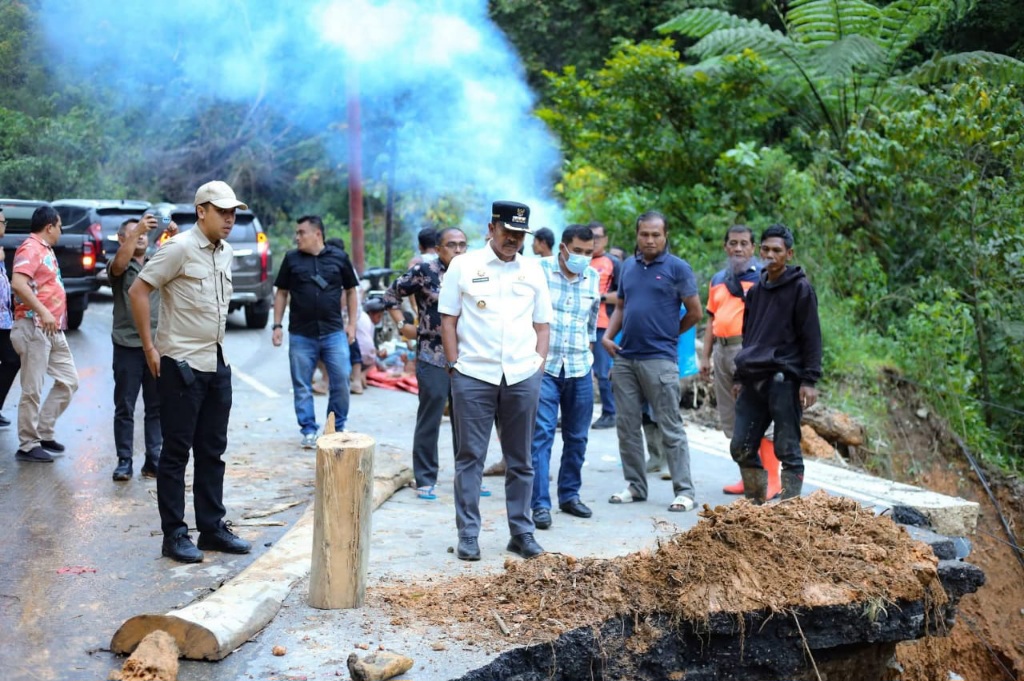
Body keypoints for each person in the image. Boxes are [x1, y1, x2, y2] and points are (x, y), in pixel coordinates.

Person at [129, 180, 252, 563]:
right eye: (222, 211)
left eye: (233, 212)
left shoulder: (225, 252)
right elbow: (138, 291)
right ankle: (175, 535)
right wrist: (150, 347)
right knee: (176, 453)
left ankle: (211, 529)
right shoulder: (179, 248)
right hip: (181, 364)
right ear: (201, 211)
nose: (229, 219)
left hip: (217, 363)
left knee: (213, 451)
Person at [439, 200, 552, 561]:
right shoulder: (463, 265)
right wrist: (455, 366)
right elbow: (448, 320)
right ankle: (468, 535)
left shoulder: (533, 270)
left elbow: (542, 325)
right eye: (507, 231)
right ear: (491, 228)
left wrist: (538, 366)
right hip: (474, 375)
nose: (513, 239)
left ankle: (521, 532)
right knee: (470, 457)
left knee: (521, 459)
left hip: (521, 375)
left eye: (520, 234)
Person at [602, 210, 702, 512]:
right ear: (637, 235)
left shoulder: (678, 268)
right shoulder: (628, 267)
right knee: (627, 426)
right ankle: (635, 486)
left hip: (660, 359)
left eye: (656, 234)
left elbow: (695, 312)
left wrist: (670, 334)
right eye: (644, 234)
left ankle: (684, 491)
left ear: (665, 235)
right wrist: (608, 336)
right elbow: (621, 307)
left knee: (670, 426)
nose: (649, 240)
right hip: (625, 357)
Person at [730, 224, 821, 504]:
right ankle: (755, 504)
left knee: (787, 448)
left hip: (784, 378)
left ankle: (789, 509)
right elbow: (749, 336)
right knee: (741, 446)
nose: (770, 255)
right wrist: (739, 376)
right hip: (753, 377)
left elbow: (811, 336)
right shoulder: (756, 291)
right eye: (766, 249)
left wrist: (809, 380)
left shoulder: (801, 289)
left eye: (777, 250)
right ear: (760, 251)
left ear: (789, 254)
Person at [382, 227, 468, 499]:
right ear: (438, 249)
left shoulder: (474, 271)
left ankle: (468, 477)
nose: (458, 250)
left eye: (462, 244)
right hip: (433, 352)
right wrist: (402, 325)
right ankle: (426, 477)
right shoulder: (424, 271)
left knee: (467, 418)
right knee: (431, 415)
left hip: (468, 354)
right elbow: (390, 295)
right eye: (451, 245)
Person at [699, 225, 781, 498]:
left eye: (744, 243)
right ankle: (750, 477)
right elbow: (711, 319)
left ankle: (772, 480)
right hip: (722, 351)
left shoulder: (763, 278)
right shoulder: (718, 279)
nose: (738, 248)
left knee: (761, 412)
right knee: (733, 417)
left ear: (753, 248)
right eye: (733, 243)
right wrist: (705, 356)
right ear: (725, 246)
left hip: (750, 350)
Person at [529, 224, 600, 530]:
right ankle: (539, 504)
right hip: (543, 367)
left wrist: (591, 363)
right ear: (563, 248)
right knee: (541, 435)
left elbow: (591, 324)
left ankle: (569, 495)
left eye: (589, 252)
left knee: (577, 436)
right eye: (578, 251)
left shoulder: (593, 277)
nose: (583, 257)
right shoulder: (538, 271)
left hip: (579, 367)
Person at [272, 216, 360, 446]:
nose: (297, 237)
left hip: (333, 332)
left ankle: (336, 428)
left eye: (301, 232)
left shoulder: (339, 258)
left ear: (317, 234)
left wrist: (352, 324)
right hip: (301, 334)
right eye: (297, 233)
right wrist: (277, 325)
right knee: (302, 384)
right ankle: (309, 430)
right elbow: (281, 292)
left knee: (341, 380)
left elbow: (352, 290)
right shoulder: (291, 259)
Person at [110, 214, 178, 481]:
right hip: (127, 344)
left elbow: (180, 259)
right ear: (121, 239)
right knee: (125, 406)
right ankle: (124, 461)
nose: (140, 236)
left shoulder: (156, 261)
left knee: (156, 406)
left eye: (144, 233)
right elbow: (119, 264)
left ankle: (153, 460)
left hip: (157, 345)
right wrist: (137, 229)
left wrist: (175, 236)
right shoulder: (119, 264)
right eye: (133, 233)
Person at [10, 205, 79, 463]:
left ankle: (43, 431)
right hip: (34, 326)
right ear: (49, 227)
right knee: (32, 389)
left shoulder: (45, 249)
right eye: (60, 227)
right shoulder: (30, 248)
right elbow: (18, 283)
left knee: (69, 381)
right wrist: (43, 311)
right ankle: (28, 445)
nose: (61, 231)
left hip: (52, 328)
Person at [587, 221, 620, 430]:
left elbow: (623, 295)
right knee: (578, 372)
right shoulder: (580, 260)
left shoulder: (613, 262)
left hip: (603, 324)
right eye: (590, 236)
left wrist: (598, 297)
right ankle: (576, 413)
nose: (594, 241)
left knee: (602, 370)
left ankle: (610, 412)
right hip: (580, 325)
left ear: (606, 239)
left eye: (598, 237)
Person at [0, 208, 21, 429]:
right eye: (2, 222)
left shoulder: (1, 250)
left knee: (12, 360)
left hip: (4, 320)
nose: (4, 226)